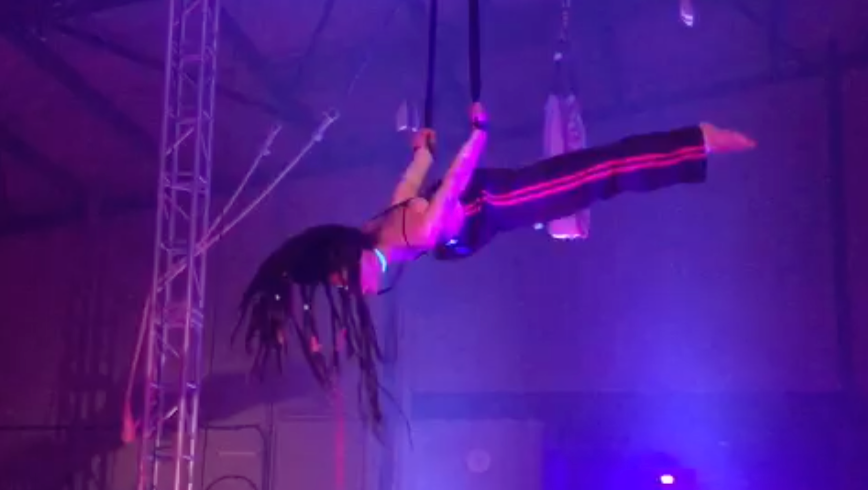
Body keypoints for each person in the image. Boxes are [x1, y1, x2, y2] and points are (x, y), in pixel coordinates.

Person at [235, 102, 755, 430]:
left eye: (349, 283)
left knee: (598, 173)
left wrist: (475, 136)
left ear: (356, 261)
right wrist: (425, 151)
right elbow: (412, 184)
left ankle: (697, 140)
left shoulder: (417, 233)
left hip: (503, 201)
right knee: (594, 176)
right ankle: (695, 142)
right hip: (496, 209)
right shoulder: (387, 230)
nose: (358, 293)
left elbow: (452, 183)